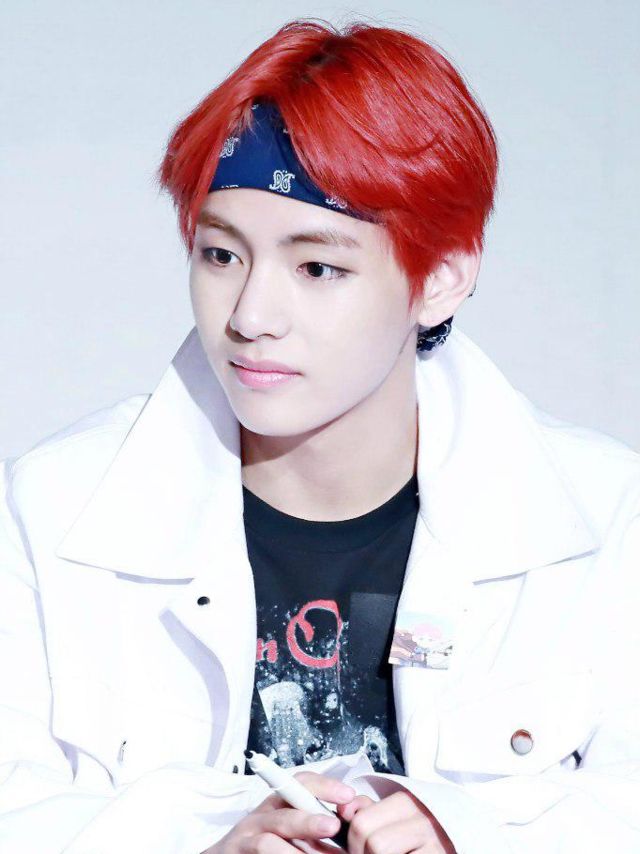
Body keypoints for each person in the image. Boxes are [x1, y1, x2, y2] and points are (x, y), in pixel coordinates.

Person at [1, 16, 639, 854]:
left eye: (317, 268)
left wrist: (473, 834)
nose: (251, 316)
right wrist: (200, 842)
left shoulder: (605, 517)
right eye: (221, 255)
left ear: (443, 276)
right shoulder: (51, 510)